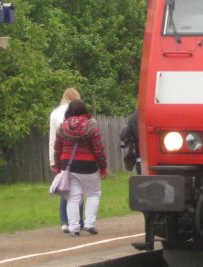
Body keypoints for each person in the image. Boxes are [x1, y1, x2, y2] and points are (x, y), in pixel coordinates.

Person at [52, 99, 107, 236]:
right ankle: (89, 224)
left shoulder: (62, 127)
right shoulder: (91, 126)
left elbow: (57, 149)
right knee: (94, 193)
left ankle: (74, 228)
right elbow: (98, 149)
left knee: (73, 197)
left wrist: (58, 166)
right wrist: (103, 167)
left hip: (68, 164)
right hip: (87, 164)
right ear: (84, 110)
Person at [49, 88, 80, 233]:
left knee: (65, 186)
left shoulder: (54, 113)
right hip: (78, 154)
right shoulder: (79, 112)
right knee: (78, 188)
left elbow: (52, 140)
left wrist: (52, 160)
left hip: (61, 154)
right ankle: (78, 220)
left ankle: (64, 221)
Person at [120, 107, 141, 174]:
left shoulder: (132, 118)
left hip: (139, 156)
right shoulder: (135, 118)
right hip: (141, 154)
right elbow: (138, 136)